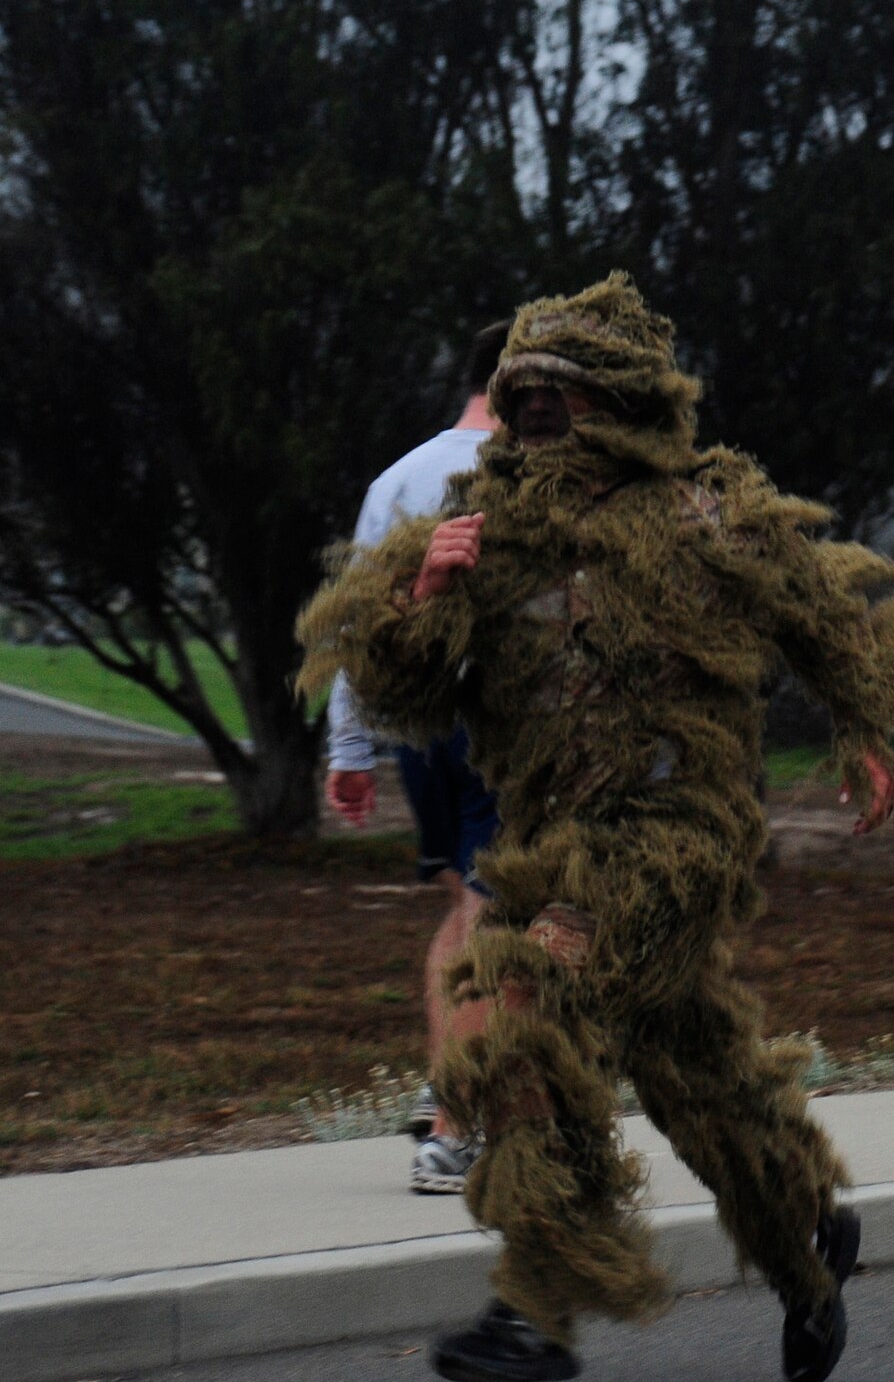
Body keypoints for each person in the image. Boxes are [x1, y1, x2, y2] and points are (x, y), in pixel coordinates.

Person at [297, 273, 894, 1382]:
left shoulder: (707, 512)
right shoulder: (482, 527)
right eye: (527, 395)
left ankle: (535, 1314)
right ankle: (808, 1245)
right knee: (693, 1081)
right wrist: (422, 593)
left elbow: (819, 615)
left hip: (674, 837)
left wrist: (866, 732)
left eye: (566, 394)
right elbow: (407, 694)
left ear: (625, 400)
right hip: (549, 844)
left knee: (525, 1004)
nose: (544, 415)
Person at [326, 320, 511, 1194]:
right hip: (496, 723)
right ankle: (452, 1128)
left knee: (464, 908)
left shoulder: (397, 477)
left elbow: (352, 620)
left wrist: (350, 746)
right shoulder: (529, 476)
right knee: (496, 919)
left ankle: (451, 1095)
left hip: (414, 726)